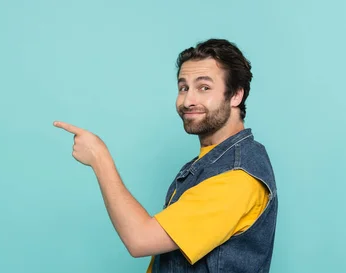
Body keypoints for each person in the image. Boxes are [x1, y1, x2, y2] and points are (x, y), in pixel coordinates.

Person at [53, 38, 278, 273]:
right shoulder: (211, 162)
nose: (188, 100)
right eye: (183, 88)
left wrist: (99, 157)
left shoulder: (236, 178)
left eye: (204, 87)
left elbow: (140, 239)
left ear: (236, 96)